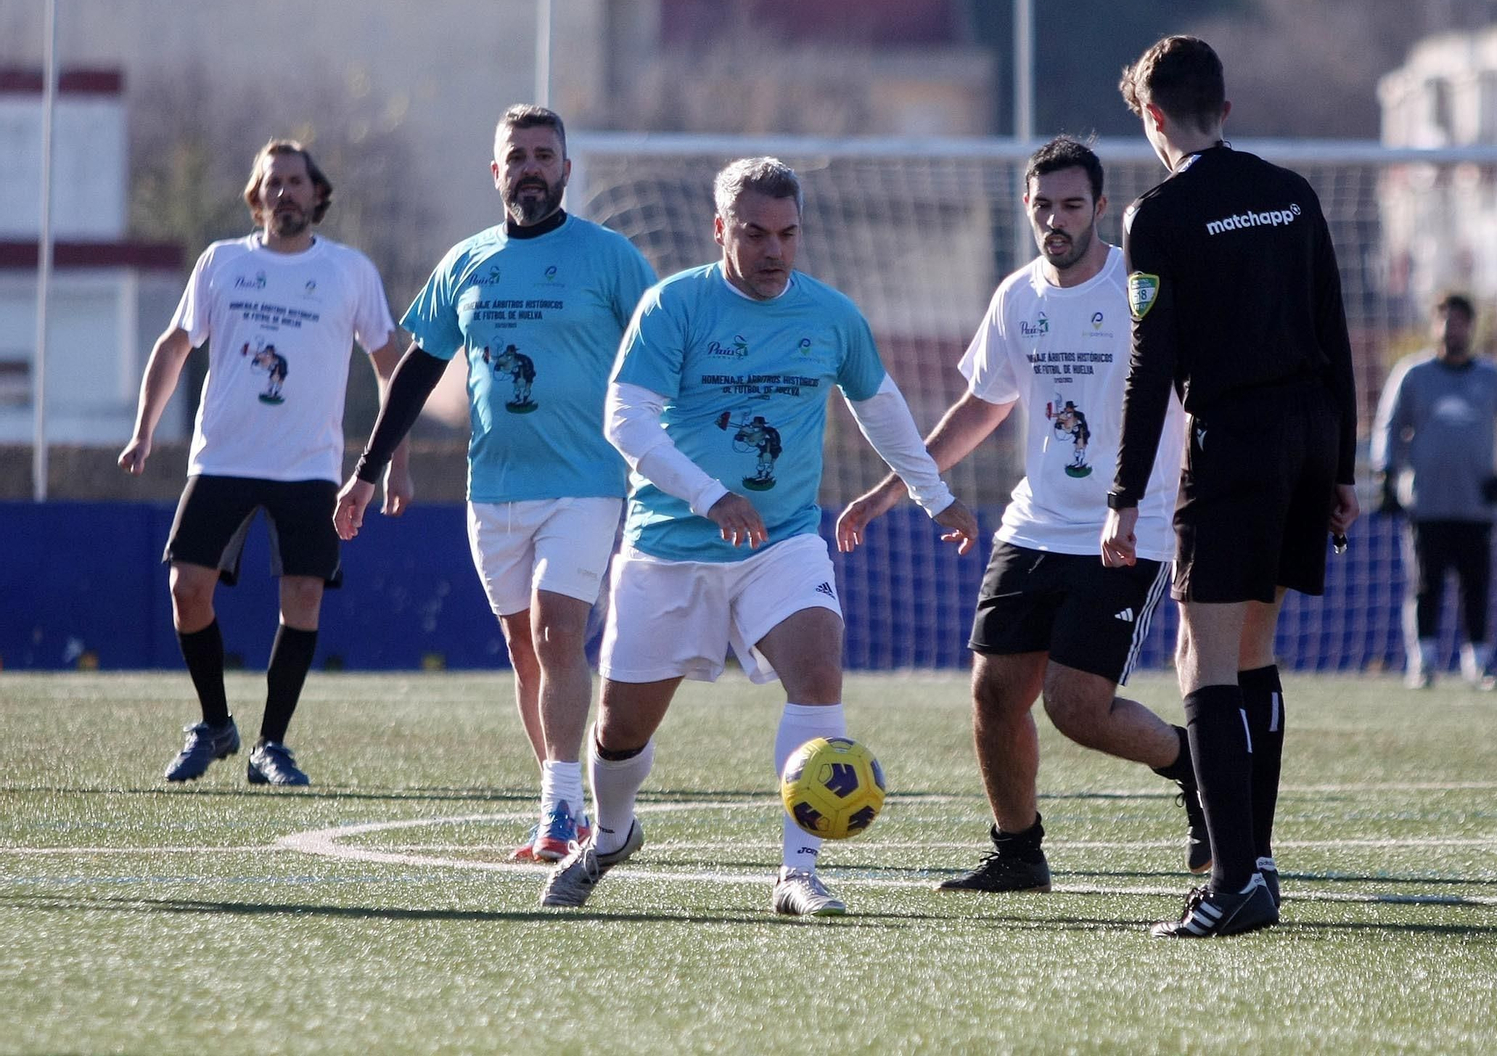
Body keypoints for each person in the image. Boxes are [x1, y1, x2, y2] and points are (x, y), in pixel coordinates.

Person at [539, 157, 980, 916]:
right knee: (617, 731)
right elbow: (625, 419)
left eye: (787, 233)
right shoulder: (674, 305)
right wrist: (710, 496)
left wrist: (933, 495)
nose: (774, 249)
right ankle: (609, 836)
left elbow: (880, 407)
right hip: (668, 548)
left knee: (818, 670)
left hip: (782, 541)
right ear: (720, 230)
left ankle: (798, 872)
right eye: (754, 233)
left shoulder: (832, 315)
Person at [834, 136, 1207, 894]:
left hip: (1128, 528)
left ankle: (1194, 767)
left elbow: (1194, 398)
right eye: (1043, 206)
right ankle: (1017, 851)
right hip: (1033, 524)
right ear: (1026, 207)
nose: (1055, 220)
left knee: (1076, 707)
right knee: (994, 692)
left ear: (1101, 207)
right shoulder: (1016, 296)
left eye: (1072, 204)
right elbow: (982, 406)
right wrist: (892, 489)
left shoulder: (1140, 289)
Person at [335, 105, 656, 862]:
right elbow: (417, 370)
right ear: (495, 171)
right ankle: (566, 797)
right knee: (524, 648)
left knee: (556, 631)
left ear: (566, 170)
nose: (530, 167)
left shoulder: (609, 257)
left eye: (544, 155)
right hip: (493, 489)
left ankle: (560, 810)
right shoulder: (467, 261)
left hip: (587, 480)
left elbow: (662, 349)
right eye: (517, 156)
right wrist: (366, 471)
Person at [1102, 36, 1360, 937]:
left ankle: (1233, 878)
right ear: (1226, 107)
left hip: (1235, 441)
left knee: (1199, 656)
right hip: (1309, 435)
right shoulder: (1291, 193)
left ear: (1153, 117)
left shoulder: (1157, 213)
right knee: (1253, 647)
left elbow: (1151, 362)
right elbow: (1335, 331)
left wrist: (1123, 495)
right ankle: (1259, 863)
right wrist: (1343, 467)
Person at [119, 138, 410, 786]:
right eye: (271, 182)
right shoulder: (222, 262)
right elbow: (175, 345)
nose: (284, 193)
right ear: (256, 197)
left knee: (303, 597)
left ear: (317, 193)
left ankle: (271, 745)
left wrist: (395, 461)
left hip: (308, 466)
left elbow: (391, 366)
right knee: (186, 589)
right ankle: (215, 723)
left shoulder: (349, 271)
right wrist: (144, 431)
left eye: (295, 181)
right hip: (222, 456)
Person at [1371, 293, 1497, 691]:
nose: (1452, 329)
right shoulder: (1413, 374)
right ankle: (1423, 661)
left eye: (1460, 321)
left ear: (1471, 327)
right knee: (1424, 584)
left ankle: (1478, 662)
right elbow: (1388, 426)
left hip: (1476, 503)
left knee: (1476, 585)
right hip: (1425, 502)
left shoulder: (1491, 376)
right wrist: (1387, 477)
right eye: (1445, 320)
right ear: (1434, 326)